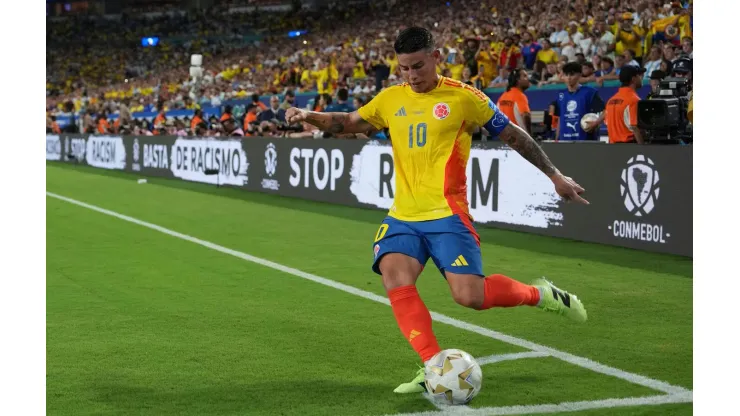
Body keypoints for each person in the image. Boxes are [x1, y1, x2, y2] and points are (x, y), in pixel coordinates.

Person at [286, 27, 588, 395]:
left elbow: (513, 135)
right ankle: (431, 364)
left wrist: (554, 175)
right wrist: (308, 114)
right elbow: (348, 123)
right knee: (394, 277)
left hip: (447, 214)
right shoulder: (390, 98)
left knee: (469, 297)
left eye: (418, 66)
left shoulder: (465, 99)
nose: (412, 76)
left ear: (436, 57)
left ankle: (540, 294)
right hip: (403, 215)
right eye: (404, 69)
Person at [554, 62, 606, 141]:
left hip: (585, 141)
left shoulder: (589, 92)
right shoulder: (561, 95)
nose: (569, 78)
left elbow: (606, 110)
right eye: (566, 75)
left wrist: (596, 123)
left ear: (579, 75)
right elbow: (560, 118)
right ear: (562, 76)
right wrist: (557, 138)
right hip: (564, 140)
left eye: (572, 75)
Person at [604, 66, 645, 144]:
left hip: (613, 148)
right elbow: (635, 127)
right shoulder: (634, 100)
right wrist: (643, 150)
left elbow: (608, 124)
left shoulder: (610, 100)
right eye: (639, 75)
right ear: (633, 79)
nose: (641, 77)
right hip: (629, 146)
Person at [497, 68, 532, 135]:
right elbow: (526, 116)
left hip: (505, 138)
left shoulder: (502, 96)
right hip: (520, 137)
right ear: (518, 80)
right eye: (525, 76)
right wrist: (530, 135)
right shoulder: (520, 96)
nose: (528, 79)